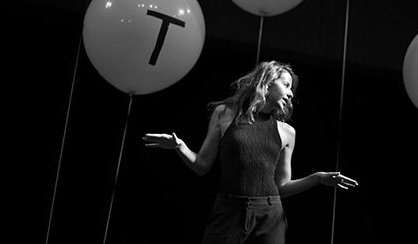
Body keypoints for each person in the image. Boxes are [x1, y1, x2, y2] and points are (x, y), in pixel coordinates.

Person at [143, 60, 358, 243]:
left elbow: (282, 186)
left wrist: (317, 178)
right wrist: (180, 146)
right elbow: (202, 166)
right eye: (286, 85)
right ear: (267, 82)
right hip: (229, 211)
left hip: (269, 216)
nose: (291, 93)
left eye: (291, 88)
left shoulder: (287, 132)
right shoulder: (224, 114)